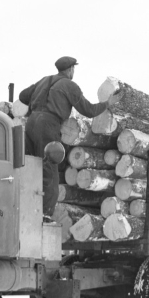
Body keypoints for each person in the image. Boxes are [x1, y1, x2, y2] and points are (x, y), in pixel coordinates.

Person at [19, 56, 120, 220]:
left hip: (31, 124)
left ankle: (27, 209)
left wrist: (39, 96)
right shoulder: (70, 85)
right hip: (48, 125)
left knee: (32, 166)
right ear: (71, 69)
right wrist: (107, 104)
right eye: (74, 68)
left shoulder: (44, 80)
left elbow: (23, 95)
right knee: (49, 168)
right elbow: (88, 110)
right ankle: (45, 214)